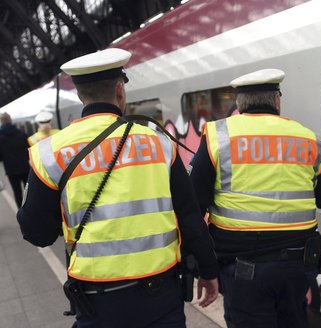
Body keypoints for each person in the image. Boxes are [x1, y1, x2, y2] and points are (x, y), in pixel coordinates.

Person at [16, 48, 219, 327]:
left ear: (80, 95)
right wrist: (208, 270)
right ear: (120, 90)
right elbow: (190, 216)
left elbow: (36, 233)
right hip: (160, 294)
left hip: (98, 301)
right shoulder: (159, 143)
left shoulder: (49, 153)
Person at [189, 68, 321, 328]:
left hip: (243, 271)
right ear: (276, 100)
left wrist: (202, 266)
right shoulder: (309, 140)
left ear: (239, 104)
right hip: (297, 268)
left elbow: (194, 206)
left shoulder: (218, 137)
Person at [0, 112, 30, 205]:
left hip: (11, 171)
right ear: (10, 120)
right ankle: (31, 212)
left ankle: (22, 215)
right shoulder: (21, 133)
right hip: (25, 168)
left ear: (1, 121)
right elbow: (29, 149)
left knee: (17, 193)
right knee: (28, 193)